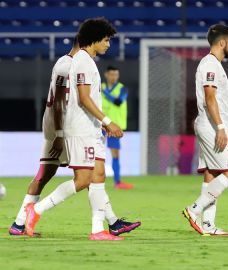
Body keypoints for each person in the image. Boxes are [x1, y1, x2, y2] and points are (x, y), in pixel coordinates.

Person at [24, 18, 140, 241]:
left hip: (91, 129)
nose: (108, 44)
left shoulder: (85, 60)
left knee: (98, 177)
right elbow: (85, 99)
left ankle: (99, 229)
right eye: (106, 40)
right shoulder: (84, 61)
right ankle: (36, 210)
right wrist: (108, 121)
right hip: (81, 130)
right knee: (83, 180)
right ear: (95, 39)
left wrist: (100, 125)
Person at [8, 37, 79, 236]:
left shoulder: (70, 63)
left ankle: (19, 223)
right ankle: (105, 224)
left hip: (64, 129)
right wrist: (58, 134)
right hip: (62, 130)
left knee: (45, 175)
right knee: (88, 176)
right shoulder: (67, 65)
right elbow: (57, 102)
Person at [182, 24, 228, 236]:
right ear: (223, 42)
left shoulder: (213, 64)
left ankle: (208, 225)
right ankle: (194, 209)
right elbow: (210, 99)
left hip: (212, 125)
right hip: (211, 127)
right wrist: (220, 128)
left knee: (212, 172)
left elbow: (218, 103)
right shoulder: (210, 65)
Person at [101, 65, 134, 189]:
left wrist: (105, 93)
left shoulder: (123, 89)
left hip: (114, 127)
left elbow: (118, 102)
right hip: (100, 125)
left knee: (115, 154)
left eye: (116, 75)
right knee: (93, 153)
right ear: (106, 75)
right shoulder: (99, 87)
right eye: (111, 74)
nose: (114, 77)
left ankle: (117, 182)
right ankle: (89, 180)